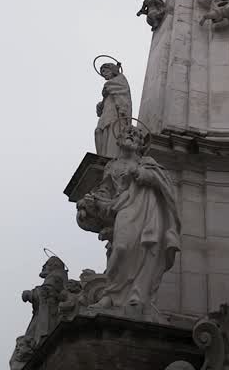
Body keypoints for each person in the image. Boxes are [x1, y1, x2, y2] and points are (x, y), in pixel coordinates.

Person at [75, 124, 180, 319]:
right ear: (119, 139)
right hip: (124, 209)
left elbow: (164, 184)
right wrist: (89, 202)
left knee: (147, 250)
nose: (132, 136)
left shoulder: (147, 162)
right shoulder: (112, 166)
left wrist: (144, 175)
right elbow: (104, 192)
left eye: (137, 135)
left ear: (141, 144)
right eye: (128, 133)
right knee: (121, 248)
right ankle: (112, 295)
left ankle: (136, 296)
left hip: (148, 209)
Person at [94, 62, 132, 157]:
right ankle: (102, 154)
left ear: (112, 70)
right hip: (107, 110)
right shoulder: (109, 84)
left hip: (116, 110)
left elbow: (122, 92)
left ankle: (110, 155)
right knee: (99, 131)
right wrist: (101, 104)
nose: (104, 75)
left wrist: (107, 90)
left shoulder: (120, 79)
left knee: (112, 129)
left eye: (105, 71)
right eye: (102, 73)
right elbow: (108, 94)